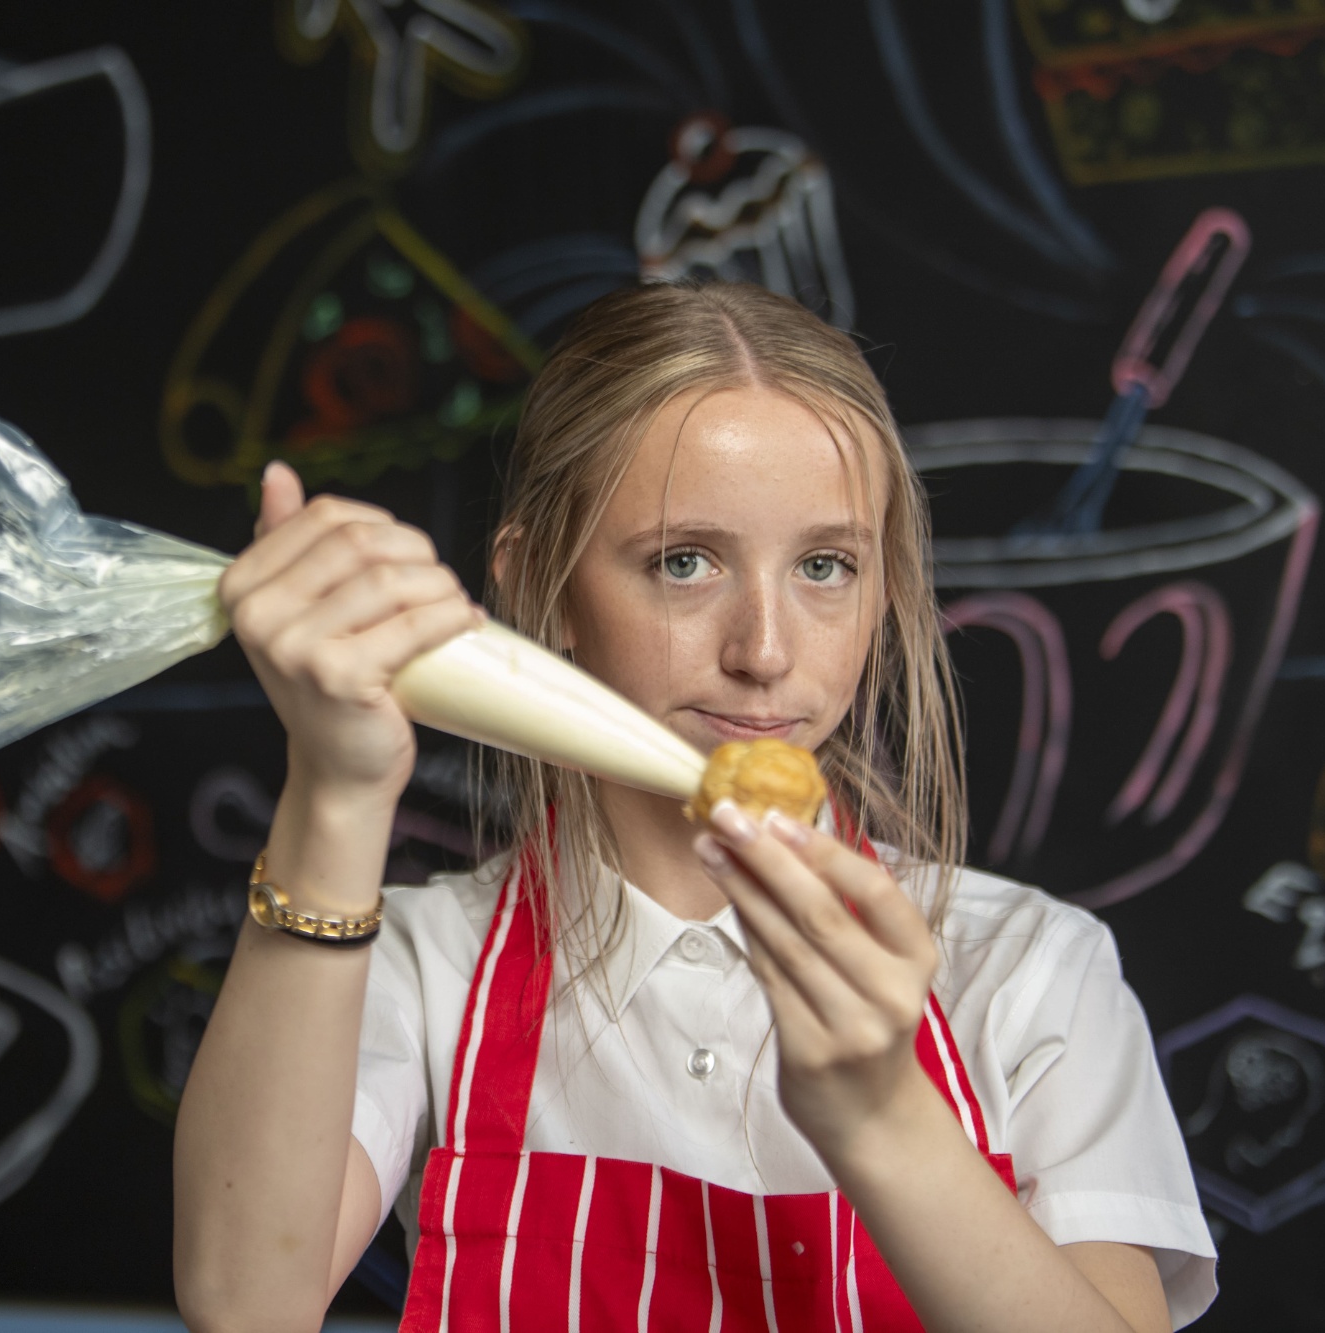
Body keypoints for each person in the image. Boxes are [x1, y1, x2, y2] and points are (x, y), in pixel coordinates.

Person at [172, 282, 1216, 1332]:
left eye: (824, 566)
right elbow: (244, 1306)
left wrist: (885, 1120)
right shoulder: (415, 965)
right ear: (539, 581)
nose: (764, 650)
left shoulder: (1031, 970)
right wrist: (337, 783)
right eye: (684, 562)